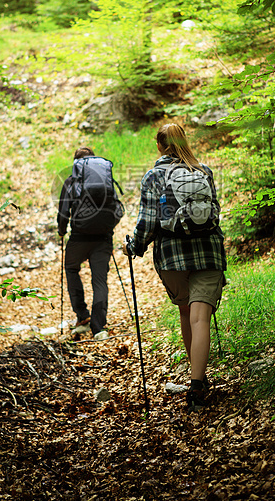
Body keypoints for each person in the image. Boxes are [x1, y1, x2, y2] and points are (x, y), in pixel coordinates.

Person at [123, 123, 227, 412]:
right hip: (209, 253)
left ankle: (198, 378)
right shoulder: (203, 171)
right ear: (184, 141)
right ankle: (197, 386)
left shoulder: (154, 175)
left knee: (186, 313)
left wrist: (134, 247)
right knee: (201, 318)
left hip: (172, 257)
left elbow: (148, 222)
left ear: (159, 146)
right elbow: (214, 212)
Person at [57, 147, 114, 341]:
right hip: (103, 237)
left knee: (71, 268)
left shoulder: (71, 182)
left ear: (76, 164)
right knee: (99, 280)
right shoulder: (106, 181)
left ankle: (82, 316)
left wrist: (61, 231)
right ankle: (99, 327)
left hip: (80, 237)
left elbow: (64, 212)